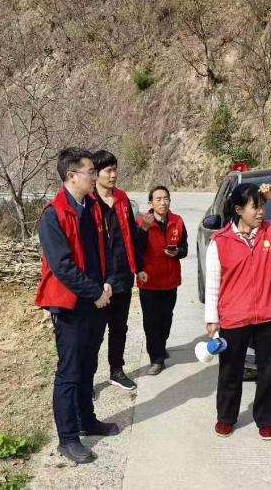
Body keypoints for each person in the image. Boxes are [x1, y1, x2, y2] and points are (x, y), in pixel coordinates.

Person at [34, 147, 119, 464]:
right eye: (90, 172)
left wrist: (107, 281)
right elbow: (63, 267)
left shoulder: (92, 207)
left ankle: (87, 420)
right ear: (71, 176)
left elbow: (105, 249)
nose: (95, 177)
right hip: (70, 305)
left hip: (96, 300)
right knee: (69, 372)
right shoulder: (53, 215)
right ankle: (68, 438)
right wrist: (94, 292)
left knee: (88, 366)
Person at [205, 182, 271, 439]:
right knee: (230, 370)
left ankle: (267, 419)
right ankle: (226, 417)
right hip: (234, 316)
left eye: (263, 206)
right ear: (239, 209)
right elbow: (213, 283)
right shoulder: (220, 242)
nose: (261, 212)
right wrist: (212, 318)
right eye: (255, 207)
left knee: (269, 371)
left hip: (270, 314)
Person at [91, 150, 142, 391]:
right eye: (108, 170)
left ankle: (116, 370)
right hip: (99, 279)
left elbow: (131, 234)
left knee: (119, 327)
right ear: (96, 173)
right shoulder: (89, 202)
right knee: (94, 332)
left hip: (122, 275)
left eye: (115, 169)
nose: (113, 175)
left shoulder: (122, 199)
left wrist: (139, 267)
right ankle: (87, 379)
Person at [135, 185, 187, 375]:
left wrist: (177, 252)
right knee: (151, 322)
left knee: (166, 319)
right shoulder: (142, 222)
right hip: (149, 281)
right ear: (151, 203)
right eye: (158, 199)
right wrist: (144, 230)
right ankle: (156, 359)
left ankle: (160, 346)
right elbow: (136, 250)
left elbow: (185, 247)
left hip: (170, 280)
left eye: (166, 198)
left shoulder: (177, 221)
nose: (163, 202)